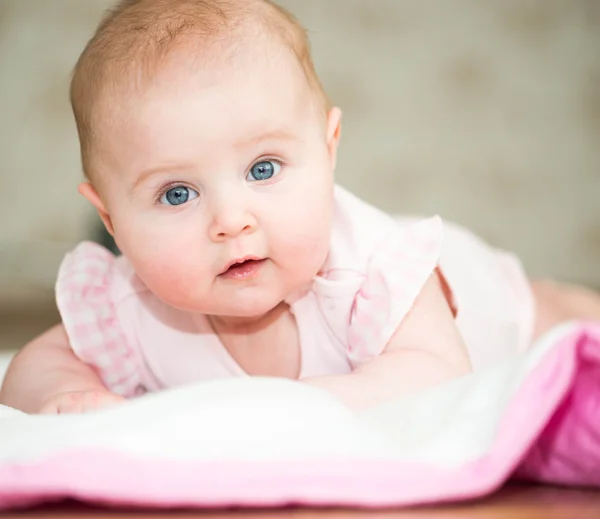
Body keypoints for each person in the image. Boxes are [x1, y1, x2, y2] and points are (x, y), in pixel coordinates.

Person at [2, 0, 599, 414]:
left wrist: (296, 409)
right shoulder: (129, 304)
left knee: (556, 313)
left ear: (328, 150)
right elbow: (28, 371)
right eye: (177, 193)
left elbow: (438, 379)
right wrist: (68, 395)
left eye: (263, 169)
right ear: (112, 222)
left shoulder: (371, 272)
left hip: (480, 296)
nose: (231, 221)